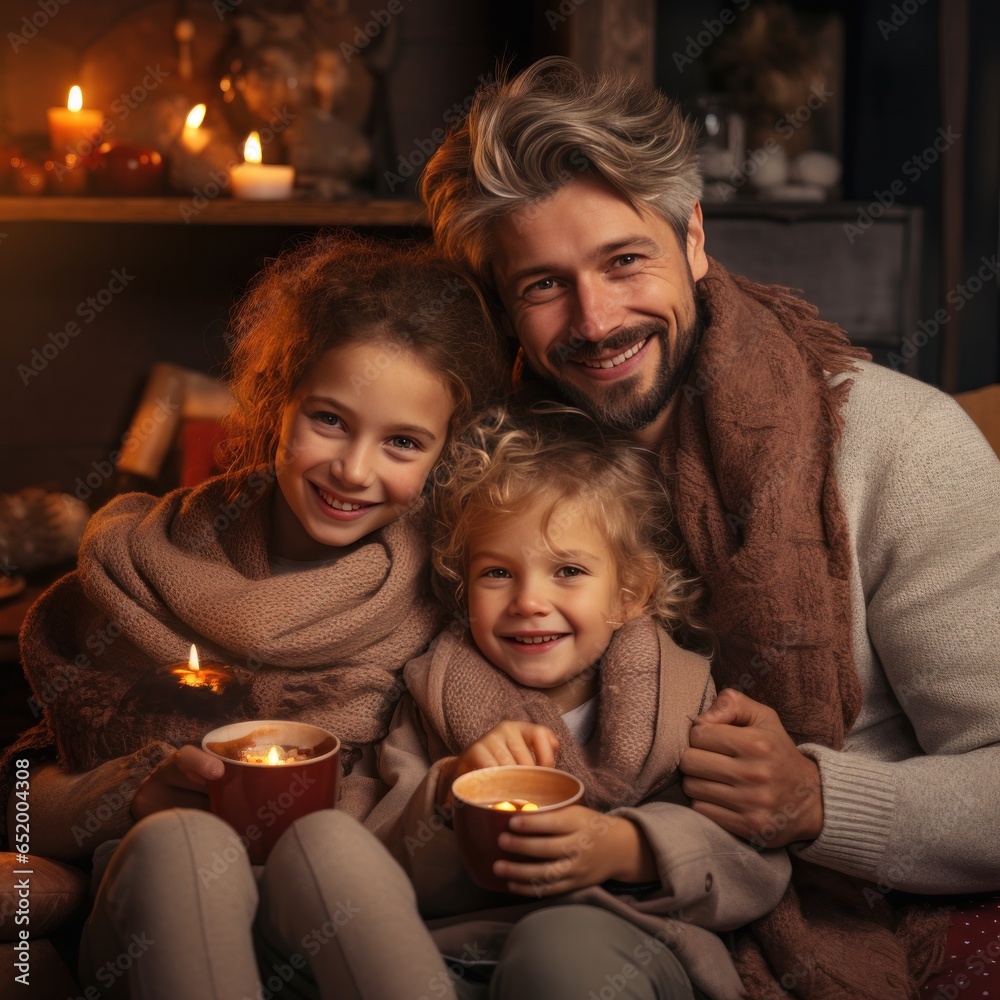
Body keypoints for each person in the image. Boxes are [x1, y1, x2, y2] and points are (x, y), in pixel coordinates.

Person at [419, 57, 1000, 998]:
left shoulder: (900, 446)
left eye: (624, 260)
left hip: (796, 903)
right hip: (541, 895)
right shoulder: (486, 466)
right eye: (543, 286)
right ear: (504, 305)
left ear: (692, 236)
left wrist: (816, 800)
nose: (597, 320)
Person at [0, 232, 508, 999]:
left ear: (445, 454)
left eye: (402, 442)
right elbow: (18, 802)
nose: (353, 469)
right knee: (179, 841)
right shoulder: (140, 567)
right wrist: (125, 794)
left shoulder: (454, 593)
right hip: (154, 927)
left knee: (329, 844)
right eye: (330, 420)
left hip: (341, 931)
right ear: (279, 400)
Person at [365, 408, 790, 1000]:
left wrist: (629, 848)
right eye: (496, 573)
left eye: (567, 570)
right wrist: (451, 791)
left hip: (624, 949)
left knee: (556, 955)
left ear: (628, 594)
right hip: (459, 954)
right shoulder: (432, 698)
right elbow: (378, 866)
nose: (529, 601)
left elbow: (756, 863)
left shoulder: (685, 702)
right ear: (464, 588)